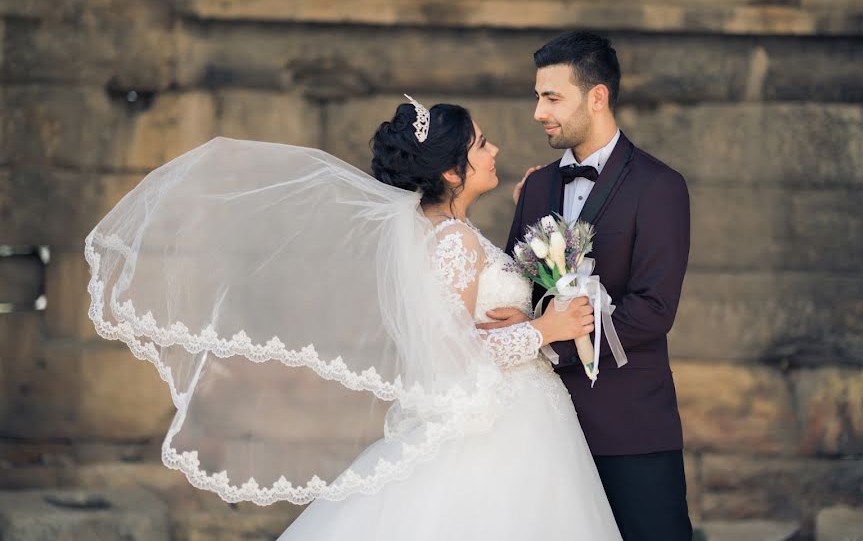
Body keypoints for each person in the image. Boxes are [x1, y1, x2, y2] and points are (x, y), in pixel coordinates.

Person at [84, 97, 623, 540]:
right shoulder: (453, 242)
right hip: (497, 429)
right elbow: (452, 358)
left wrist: (519, 324)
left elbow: (459, 332)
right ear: (451, 171)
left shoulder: (450, 235)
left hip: (520, 415)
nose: (495, 149)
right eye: (481, 144)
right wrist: (542, 329)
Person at [487, 31, 694, 540]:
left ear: (596, 97)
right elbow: (520, 290)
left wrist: (555, 340)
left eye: (552, 97)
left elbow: (653, 308)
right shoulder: (536, 187)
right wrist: (530, 326)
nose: (538, 112)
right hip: (544, 429)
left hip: (631, 427)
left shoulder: (660, 187)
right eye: (538, 96)